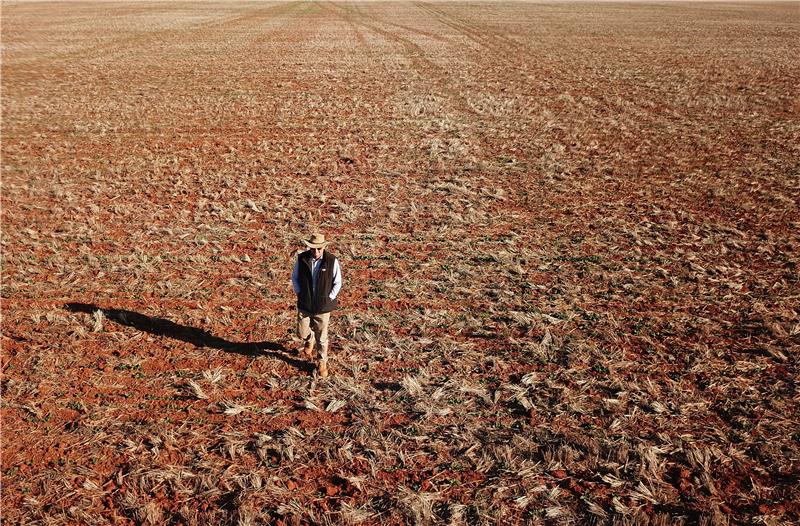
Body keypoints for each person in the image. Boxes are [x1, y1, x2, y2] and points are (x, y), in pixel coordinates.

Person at [291, 233, 342, 378]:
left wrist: (329, 297)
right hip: (305, 304)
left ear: (324, 247)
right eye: (313, 249)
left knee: (322, 338)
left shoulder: (332, 261)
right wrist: (300, 292)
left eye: (319, 249)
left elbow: (337, 282)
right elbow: (294, 277)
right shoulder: (302, 259)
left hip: (322, 307)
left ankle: (322, 362)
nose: (316, 252)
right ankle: (309, 339)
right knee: (301, 332)